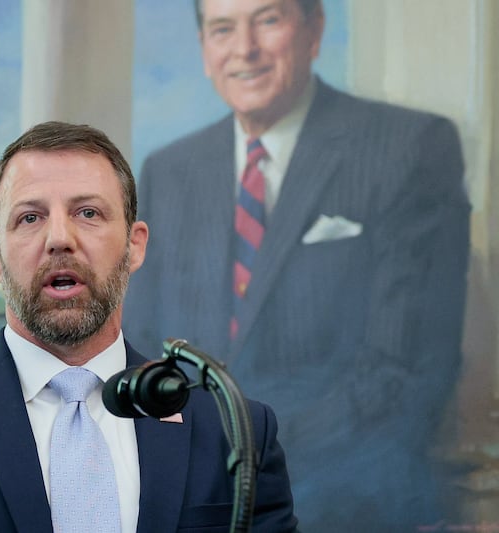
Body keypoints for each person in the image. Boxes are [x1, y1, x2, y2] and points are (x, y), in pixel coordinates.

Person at [0, 121, 298, 532]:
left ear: (135, 246)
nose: (59, 239)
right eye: (30, 217)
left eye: (88, 213)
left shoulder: (235, 432)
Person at [122, 0, 471, 531]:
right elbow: (141, 348)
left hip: (351, 499)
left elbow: (404, 374)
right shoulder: (168, 171)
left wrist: (247, 459)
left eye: (268, 20)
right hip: (195, 501)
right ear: (204, 50)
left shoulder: (408, 147)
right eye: (222, 29)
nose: (245, 49)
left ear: (314, 29)